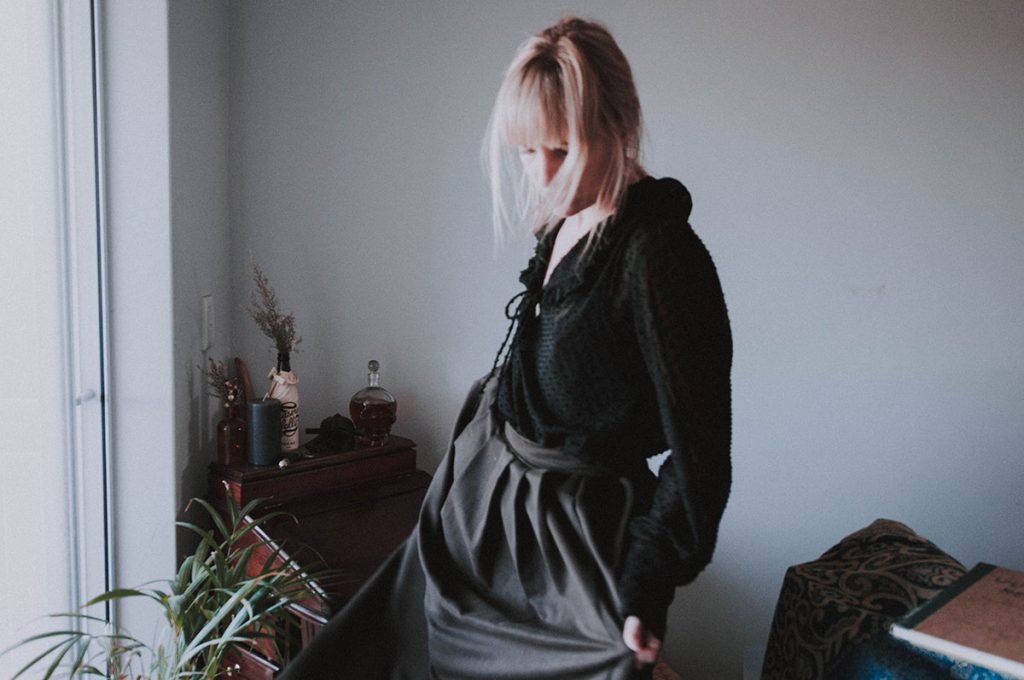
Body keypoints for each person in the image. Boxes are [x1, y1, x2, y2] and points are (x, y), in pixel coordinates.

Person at [279, 16, 731, 680]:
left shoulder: (660, 259)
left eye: (561, 147)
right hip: (479, 503)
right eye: (527, 151)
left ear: (621, 125)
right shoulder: (567, 222)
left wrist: (648, 585)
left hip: (565, 550)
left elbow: (701, 462)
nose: (544, 173)